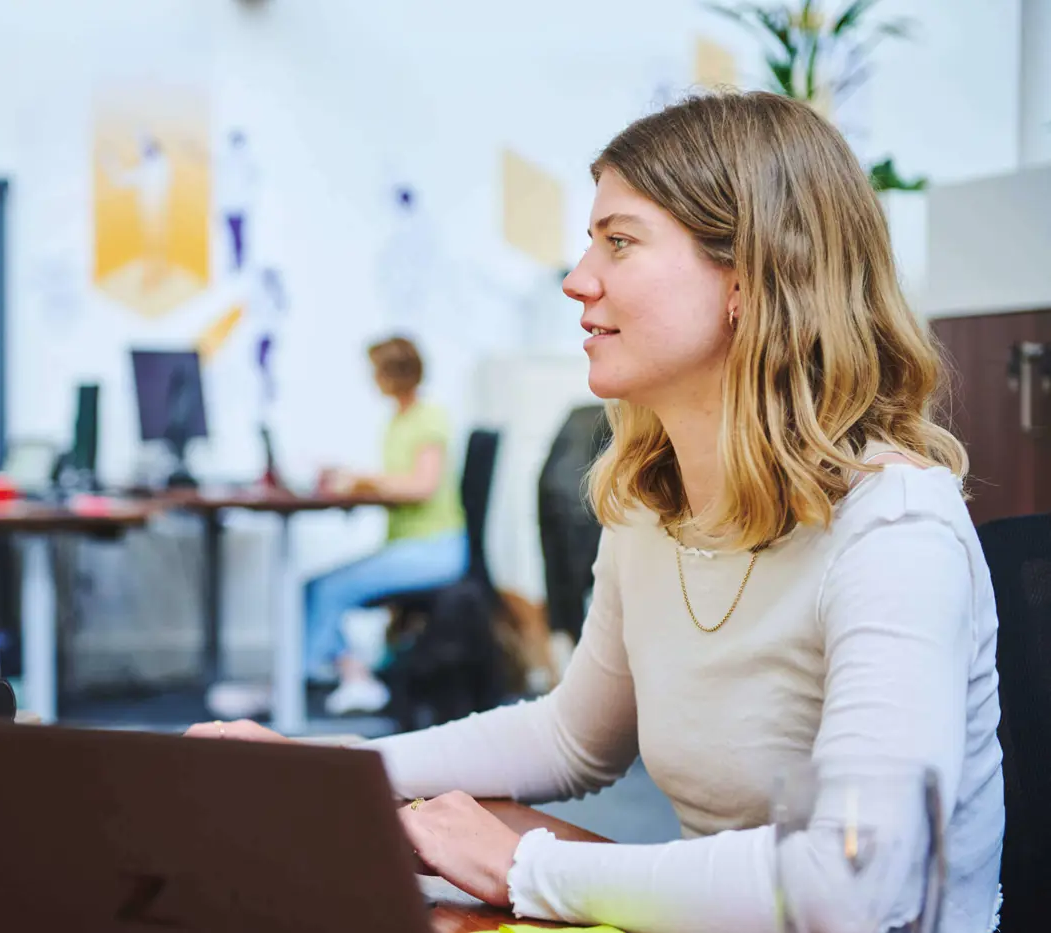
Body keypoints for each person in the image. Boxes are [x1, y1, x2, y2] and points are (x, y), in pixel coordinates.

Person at [187, 90, 1004, 932]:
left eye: (619, 242)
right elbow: (572, 740)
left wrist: (523, 865)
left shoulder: (896, 532)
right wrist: (331, 771)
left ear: (748, 278)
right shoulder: (652, 509)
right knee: (393, 840)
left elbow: (854, 885)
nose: (579, 281)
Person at [308, 335, 468, 716]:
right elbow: (398, 479)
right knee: (317, 588)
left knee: (326, 590)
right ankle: (327, 675)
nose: (372, 379)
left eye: (376, 371)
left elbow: (421, 486)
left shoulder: (429, 417)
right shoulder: (398, 418)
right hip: (410, 546)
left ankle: (351, 678)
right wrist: (357, 480)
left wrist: (363, 481)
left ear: (391, 373)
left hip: (435, 550)